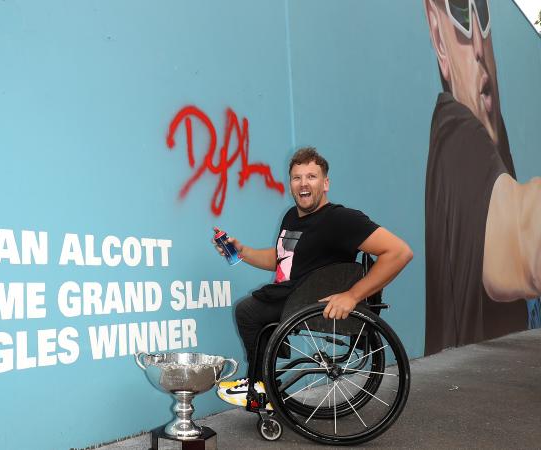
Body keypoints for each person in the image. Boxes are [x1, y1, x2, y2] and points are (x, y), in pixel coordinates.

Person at [214, 147, 413, 407]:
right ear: (291, 184)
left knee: (248, 311)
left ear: (325, 183)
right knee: (254, 310)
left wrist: (353, 296)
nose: (303, 183)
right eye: (297, 178)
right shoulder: (291, 216)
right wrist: (243, 252)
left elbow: (399, 252)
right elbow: (282, 260)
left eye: (311, 176)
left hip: (310, 301)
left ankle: (261, 385)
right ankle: (263, 381)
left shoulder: (341, 219)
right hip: (291, 294)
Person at [423, 0, 541, 355]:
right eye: (460, 16)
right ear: (439, 41)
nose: (478, 46)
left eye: (483, 17)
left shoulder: (494, 133)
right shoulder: (458, 132)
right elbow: (523, 233)